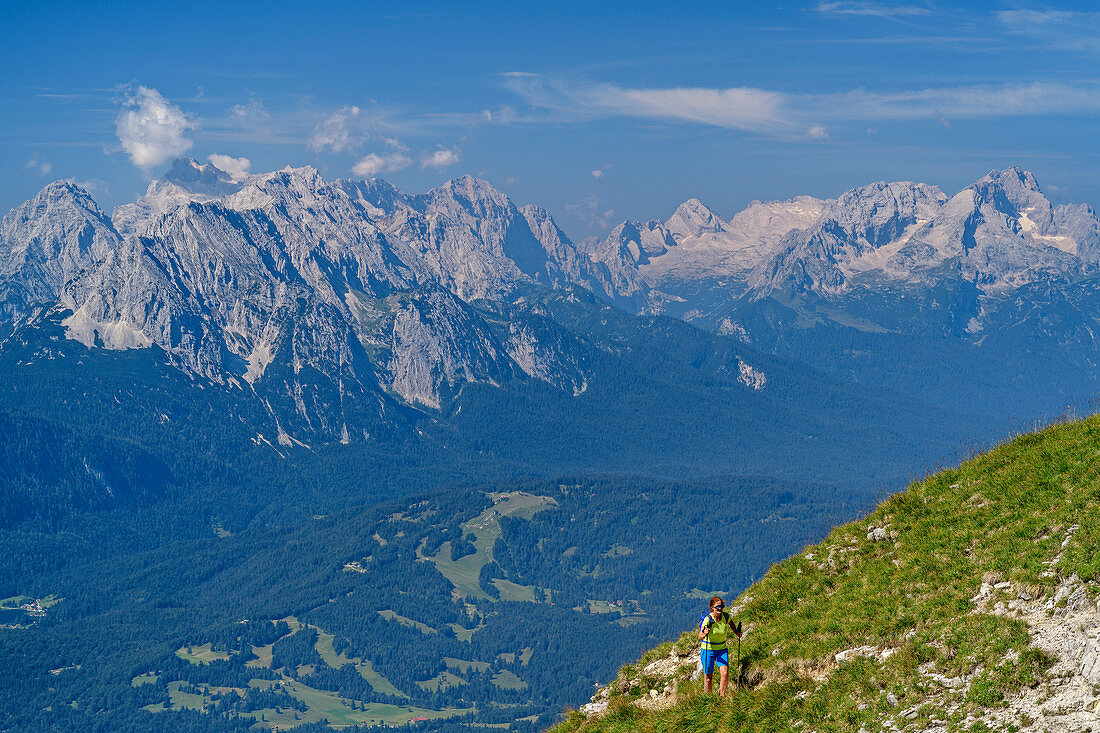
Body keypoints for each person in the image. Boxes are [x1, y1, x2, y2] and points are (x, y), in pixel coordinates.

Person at [698, 595, 734, 695]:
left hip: (721, 649)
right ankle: (708, 698)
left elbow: (731, 623)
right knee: (709, 678)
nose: (720, 609)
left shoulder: (726, 617)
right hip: (708, 649)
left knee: (725, 673)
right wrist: (704, 633)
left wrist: (736, 632)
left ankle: (722, 697)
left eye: (721, 606)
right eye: (717, 607)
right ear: (712, 608)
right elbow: (700, 636)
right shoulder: (708, 619)